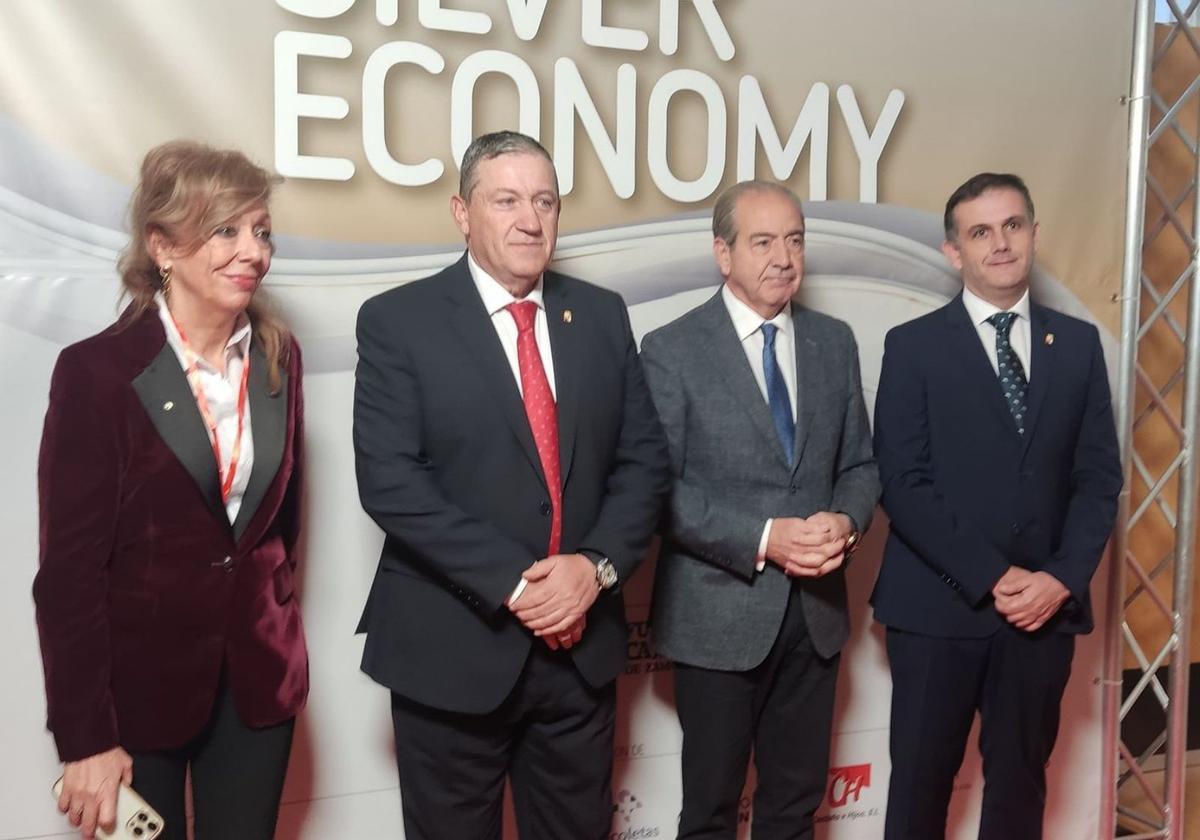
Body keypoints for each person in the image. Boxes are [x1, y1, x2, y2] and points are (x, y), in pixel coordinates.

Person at [352, 130, 669, 840]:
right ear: (462, 212)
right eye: (507, 200)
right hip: (453, 651)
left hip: (578, 655)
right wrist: (519, 586)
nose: (531, 219)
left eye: (545, 201)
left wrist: (595, 569)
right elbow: (392, 482)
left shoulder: (600, 315)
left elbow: (644, 463)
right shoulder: (398, 321)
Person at [33, 140, 307, 840]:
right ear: (162, 245)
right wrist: (85, 736)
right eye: (226, 230)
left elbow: (280, 528)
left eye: (261, 230)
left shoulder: (280, 359)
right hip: (135, 700)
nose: (253, 251)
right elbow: (69, 574)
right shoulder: (97, 373)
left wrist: (272, 620)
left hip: (255, 689)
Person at [871, 172, 1122, 839]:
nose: (1001, 243)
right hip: (936, 612)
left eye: (1013, 226)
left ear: (1035, 235)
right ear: (955, 251)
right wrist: (993, 576)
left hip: (1042, 616)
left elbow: (1099, 478)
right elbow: (901, 480)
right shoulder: (913, 346)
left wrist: (1061, 579)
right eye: (981, 231)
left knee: (1019, 791)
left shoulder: (1077, 345)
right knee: (920, 790)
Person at [640, 180, 880, 839]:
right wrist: (764, 537)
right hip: (717, 618)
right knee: (711, 810)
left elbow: (860, 464)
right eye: (763, 241)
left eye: (795, 240)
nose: (783, 257)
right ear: (723, 253)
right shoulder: (672, 349)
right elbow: (658, 490)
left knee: (794, 806)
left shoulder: (835, 342)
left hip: (817, 619)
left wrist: (847, 521)